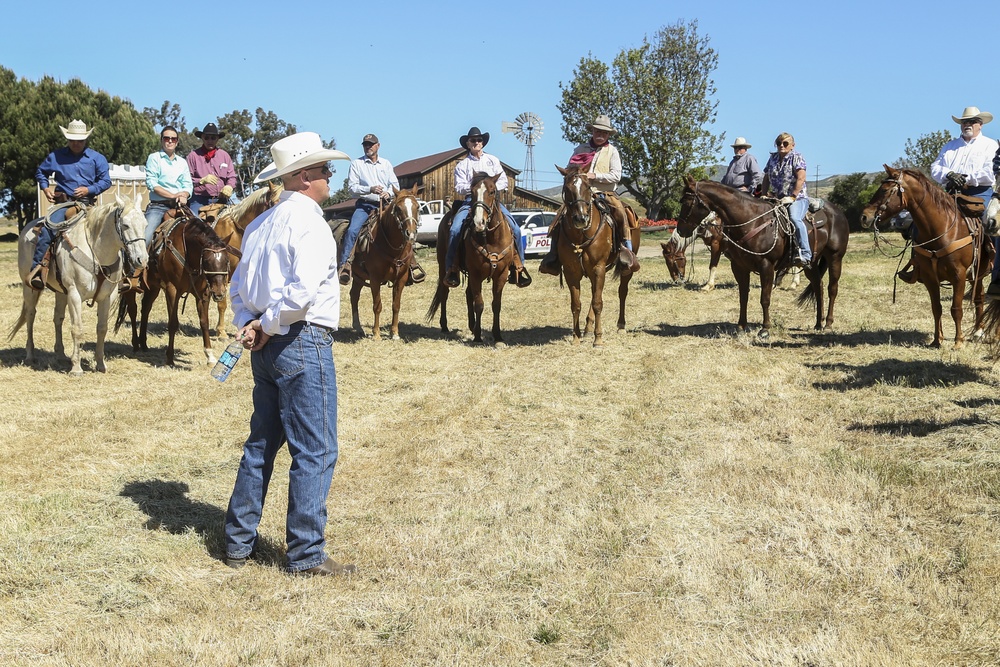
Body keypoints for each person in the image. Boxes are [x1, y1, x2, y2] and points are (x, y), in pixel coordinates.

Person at [224, 131, 355, 577]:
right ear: (303, 177)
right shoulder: (311, 223)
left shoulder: (259, 225)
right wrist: (266, 323)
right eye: (324, 170)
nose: (328, 177)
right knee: (315, 450)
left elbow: (237, 288)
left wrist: (251, 323)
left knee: (262, 444)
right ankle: (305, 554)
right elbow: (302, 293)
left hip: (266, 346)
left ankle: (238, 543)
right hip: (301, 340)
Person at [538, 114, 639, 276]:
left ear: (608, 135)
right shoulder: (580, 149)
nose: (600, 135)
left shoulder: (612, 152)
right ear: (592, 131)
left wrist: (595, 175)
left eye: (604, 133)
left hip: (604, 192)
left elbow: (616, 176)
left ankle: (626, 252)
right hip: (581, 193)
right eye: (597, 131)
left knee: (621, 213)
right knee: (560, 216)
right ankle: (553, 255)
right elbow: (570, 170)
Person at [28, 119, 111, 289]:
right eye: (72, 139)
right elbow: (40, 172)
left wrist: (89, 190)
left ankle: (120, 272)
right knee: (48, 230)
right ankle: (38, 269)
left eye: (79, 140)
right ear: (67, 139)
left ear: (85, 139)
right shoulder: (56, 156)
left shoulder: (97, 158)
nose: (76, 143)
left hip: (87, 204)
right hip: (63, 205)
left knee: (111, 230)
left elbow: (106, 181)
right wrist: (45, 189)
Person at [443, 126, 531, 288]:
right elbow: (458, 187)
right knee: (455, 229)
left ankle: (518, 266)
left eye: (479, 140)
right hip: (471, 201)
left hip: (491, 201)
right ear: (468, 144)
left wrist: (490, 189)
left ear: (483, 143)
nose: (477, 142)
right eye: (473, 140)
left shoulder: (493, 160)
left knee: (515, 229)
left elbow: (504, 180)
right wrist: (474, 188)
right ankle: (452, 268)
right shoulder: (462, 165)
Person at [923, 106, 999, 290]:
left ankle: (995, 269)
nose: (968, 124)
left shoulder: (990, 145)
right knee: (923, 221)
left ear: (980, 124)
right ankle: (918, 264)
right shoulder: (949, 147)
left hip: (979, 193)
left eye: (972, 121)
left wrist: (965, 177)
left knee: (990, 223)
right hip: (950, 195)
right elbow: (935, 168)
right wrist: (949, 174)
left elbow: (991, 172)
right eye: (965, 121)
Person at [339, 133, 424, 285]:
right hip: (365, 205)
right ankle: (346, 264)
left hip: (386, 204)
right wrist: (369, 189)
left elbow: (394, 186)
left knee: (403, 227)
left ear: (378, 146)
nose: (368, 147)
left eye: (371, 144)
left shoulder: (386, 164)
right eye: (365, 145)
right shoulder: (357, 164)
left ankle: (411, 264)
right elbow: (352, 189)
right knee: (353, 230)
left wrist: (388, 192)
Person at [759, 132, 812, 267]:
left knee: (795, 218)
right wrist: (763, 194)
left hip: (797, 198)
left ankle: (805, 254)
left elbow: (801, 178)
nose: (781, 146)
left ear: (792, 146)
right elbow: (766, 177)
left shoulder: (797, 157)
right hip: (777, 198)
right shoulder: (773, 158)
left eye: (785, 143)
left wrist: (792, 196)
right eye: (779, 143)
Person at [143, 126, 193, 246]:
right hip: (158, 207)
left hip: (179, 207)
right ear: (161, 140)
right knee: (145, 238)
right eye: (166, 138)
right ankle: (136, 265)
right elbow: (152, 184)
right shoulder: (154, 158)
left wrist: (184, 195)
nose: (170, 141)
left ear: (177, 142)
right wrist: (173, 195)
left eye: (173, 139)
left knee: (202, 232)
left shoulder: (182, 162)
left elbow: (188, 185)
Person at [186, 122, 239, 218]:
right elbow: (186, 180)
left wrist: (229, 186)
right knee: (195, 222)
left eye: (213, 138)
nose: (210, 140)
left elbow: (232, 176)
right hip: (198, 200)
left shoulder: (224, 155)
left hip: (221, 200)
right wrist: (201, 181)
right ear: (202, 137)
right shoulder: (193, 156)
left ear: (217, 139)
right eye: (207, 137)